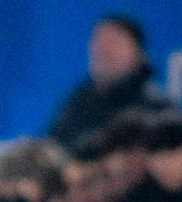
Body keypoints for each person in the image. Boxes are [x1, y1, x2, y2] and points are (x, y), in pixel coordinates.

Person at [46, 14, 169, 150]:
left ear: (138, 53)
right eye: (98, 41)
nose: (103, 49)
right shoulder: (77, 103)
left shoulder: (155, 109)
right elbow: (52, 147)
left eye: (113, 41)